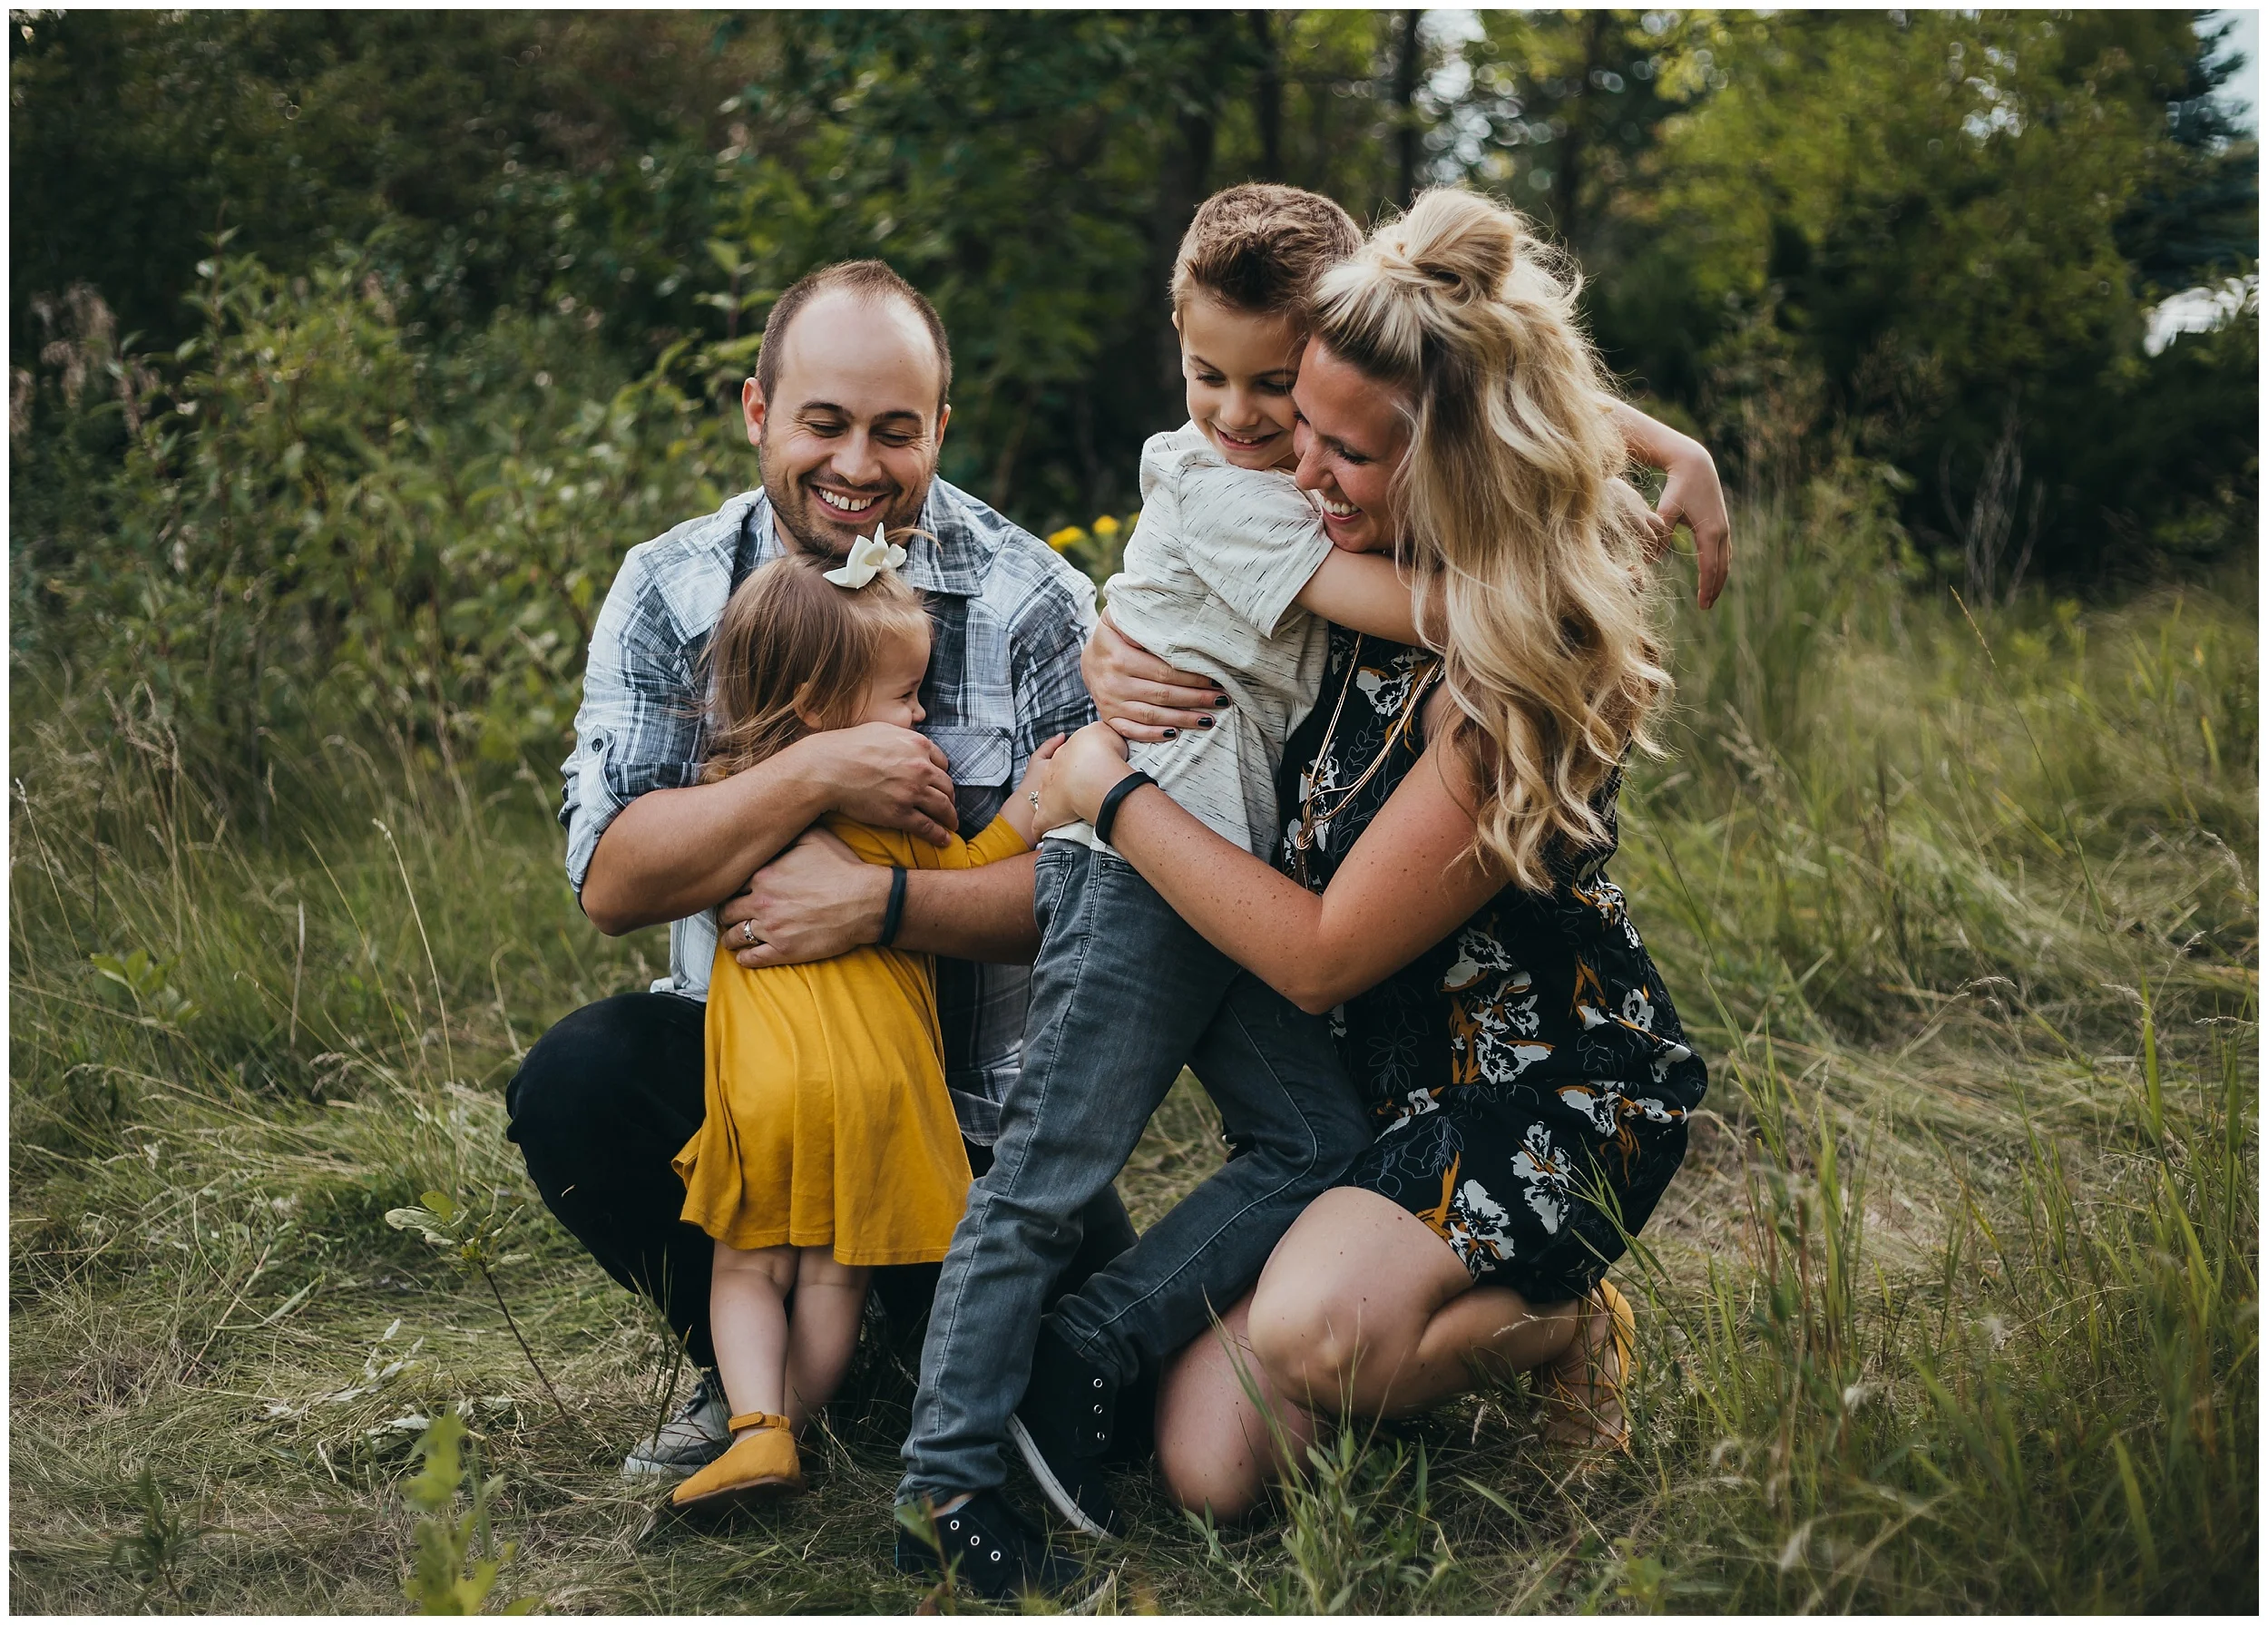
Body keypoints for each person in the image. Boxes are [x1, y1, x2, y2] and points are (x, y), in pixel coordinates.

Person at [897, 182, 1725, 1600]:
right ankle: (999, 1429)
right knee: (1200, 1445)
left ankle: (1553, 1321)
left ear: (1447, 461)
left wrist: (1106, 785)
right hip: (1281, 995)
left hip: (1520, 1073)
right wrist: (1120, 636)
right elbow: (1407, 395)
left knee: (1306, 1248)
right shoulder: (1293, 516)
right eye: (1285, 417)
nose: (1290, 458)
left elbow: (1326, 951)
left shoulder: (1488, 665)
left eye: (1330, 437)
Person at [504, 259, 1138, 1485]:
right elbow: (612, 879)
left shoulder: (1037, 603)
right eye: (824, 423)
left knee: (1120, 1422)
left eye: (895, 431)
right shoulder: (676, 587)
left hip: (988, 1127)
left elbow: (1099, 900)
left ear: (939, 431)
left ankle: (908, 1353)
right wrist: (816, 774)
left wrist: (887, 902)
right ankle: (761, 1386)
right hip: (767, 1090)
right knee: (578, 1082)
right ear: (759, 413)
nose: (857, 466)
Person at [666, 545, 1062, 1512]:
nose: (918, 718)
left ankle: (757, 1433)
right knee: (835, 1284)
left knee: (749, 1265)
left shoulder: (729, 800)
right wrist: (1032, 807)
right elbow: (967, 876)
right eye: (904, 696)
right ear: (817, 705)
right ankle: (796, 1427)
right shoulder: (891, 795)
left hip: (766, 1088)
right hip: (882, 1090)